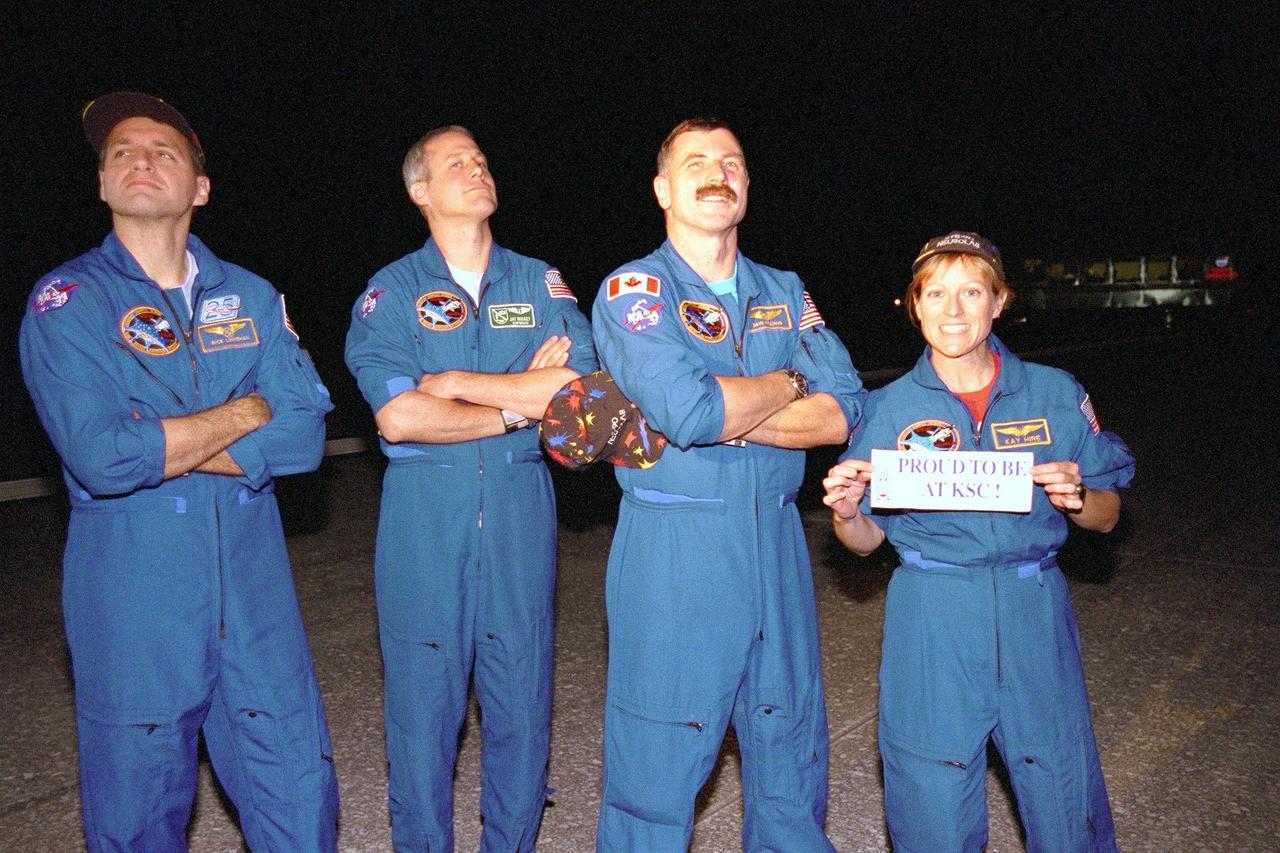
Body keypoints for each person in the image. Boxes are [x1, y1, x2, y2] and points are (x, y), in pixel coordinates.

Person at [18, 92, 339, 851]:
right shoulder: (67, 302)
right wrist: (244, 410)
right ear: (100, 185)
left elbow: (304, 439)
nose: (141, 160)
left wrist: (167, 440)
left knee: (301, 804)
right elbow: (102, 455)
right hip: (136, 609)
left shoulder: (252, 296)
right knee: (137, 823)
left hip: (257, 608)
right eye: (122, 152)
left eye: (164, 150)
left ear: (200, 186)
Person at [591, 118, 865, 851]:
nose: (718, 174)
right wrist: (788, 382)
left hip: (776, 540)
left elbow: (843, 411)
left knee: (790, 753)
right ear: (662, 189)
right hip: (677, 547)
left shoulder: (784, 288)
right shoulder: (633, 289)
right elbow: (688, 409)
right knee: (656, 768)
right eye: (697, 162)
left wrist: (736, 413)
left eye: (732, 162)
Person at [823, 231, 1134, 852]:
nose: (954, 310)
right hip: (931, 610)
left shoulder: (1056, 393)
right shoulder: (886, 408)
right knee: (930, 791)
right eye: (936, 293)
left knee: (1060, 785)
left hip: (1032, 606)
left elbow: (1107, 516)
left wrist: (1077, 499)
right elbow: (863, 542)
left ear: (999, 301)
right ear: (914, 306)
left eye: (972, 291)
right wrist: (846, 511)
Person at [344, 125, 596, 851]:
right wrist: (520, 401)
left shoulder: (539, 281)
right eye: (458, 163)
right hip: (426, 520)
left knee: (521, 707)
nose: (478, 169)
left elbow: (578, 388)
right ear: (420, 191)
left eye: (483, 159)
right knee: (422, 717)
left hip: (521, 512)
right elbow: (400, 413)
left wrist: (455, 385)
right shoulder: (390, 292)